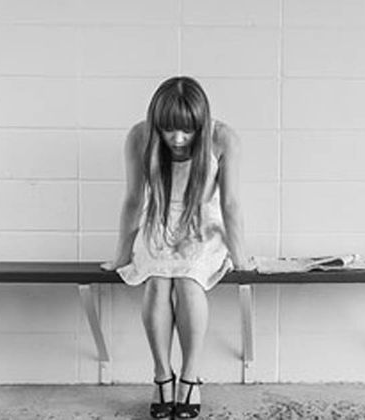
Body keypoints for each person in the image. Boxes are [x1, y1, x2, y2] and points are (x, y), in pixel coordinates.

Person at [100, 76, 252, 419]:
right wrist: (121, 256)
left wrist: (240, 258)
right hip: (159, 224)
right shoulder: (140, 137)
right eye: (169, 130)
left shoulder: (223, 139)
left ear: (202, 124)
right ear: (157, 124)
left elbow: (230, 205)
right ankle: (161, 376)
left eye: (188, 130)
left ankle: (190, 377)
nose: (178, 139)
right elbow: (133, 200)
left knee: (187, 280)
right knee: (157, 281)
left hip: (203, 228)